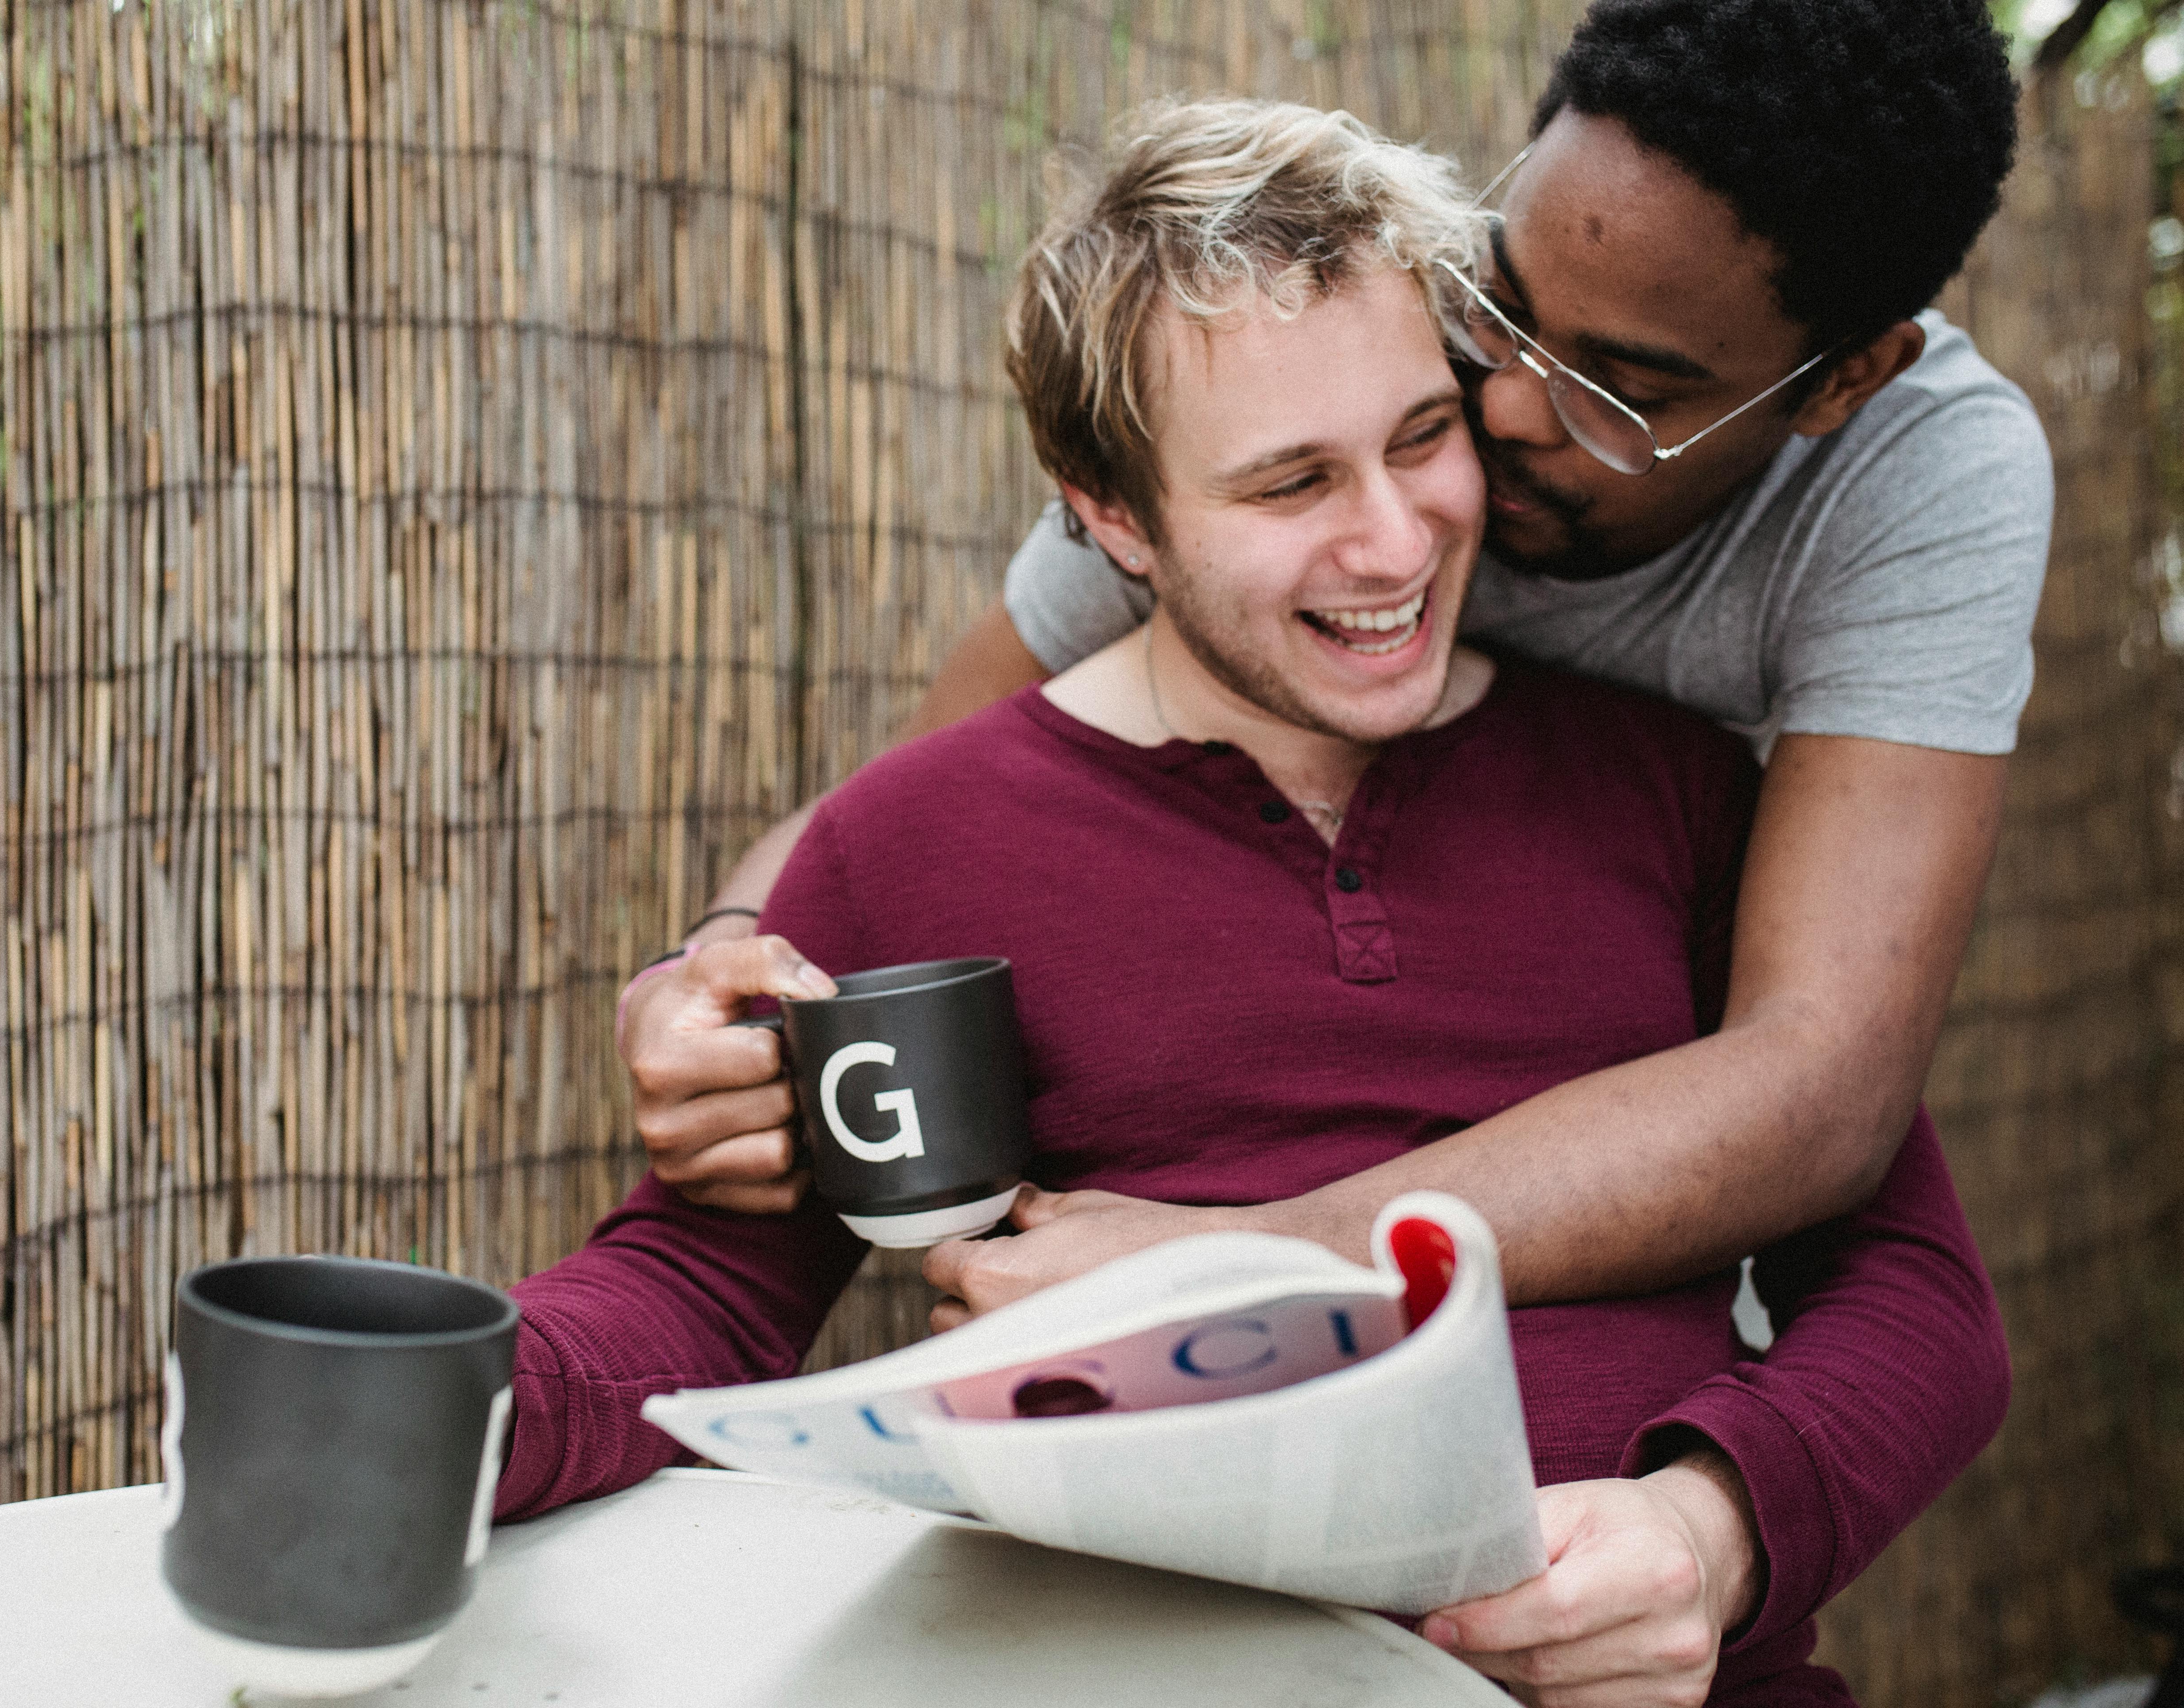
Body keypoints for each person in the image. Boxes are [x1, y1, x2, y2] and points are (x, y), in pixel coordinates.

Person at [509, 100, 2009, 1707]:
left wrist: (1711, 1533)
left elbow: (1917, 1302)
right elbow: (694, 1289)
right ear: (1112, 518)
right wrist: (463, 1402)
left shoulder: (1680, 797)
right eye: (1293, 481)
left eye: (1424, 437)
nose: (1397, 539)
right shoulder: (925, 843)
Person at [619, 0, 2048, 1318]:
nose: (1502, 410)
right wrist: (721, 972)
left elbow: (1820, 1087)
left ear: (1842, 384)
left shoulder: (1926, 479)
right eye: (1495, 306)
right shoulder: (1306, 372)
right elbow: (915, 816)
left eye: (1625, 392)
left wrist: (1262, 1255)